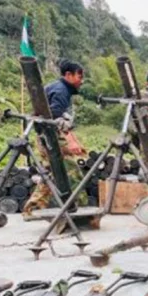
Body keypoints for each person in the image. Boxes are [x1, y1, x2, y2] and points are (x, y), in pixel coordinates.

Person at [24, 59, 89, 215]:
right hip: (50, 138)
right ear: (68, 75)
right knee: (71, 172)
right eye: (79, 76)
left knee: (53, 175)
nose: (82, 81)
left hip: (45, 137)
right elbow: (51, 118)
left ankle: (31, 209)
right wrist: (66, 129)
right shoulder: (61, 91)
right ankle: (80, 210)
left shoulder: (56, 87)